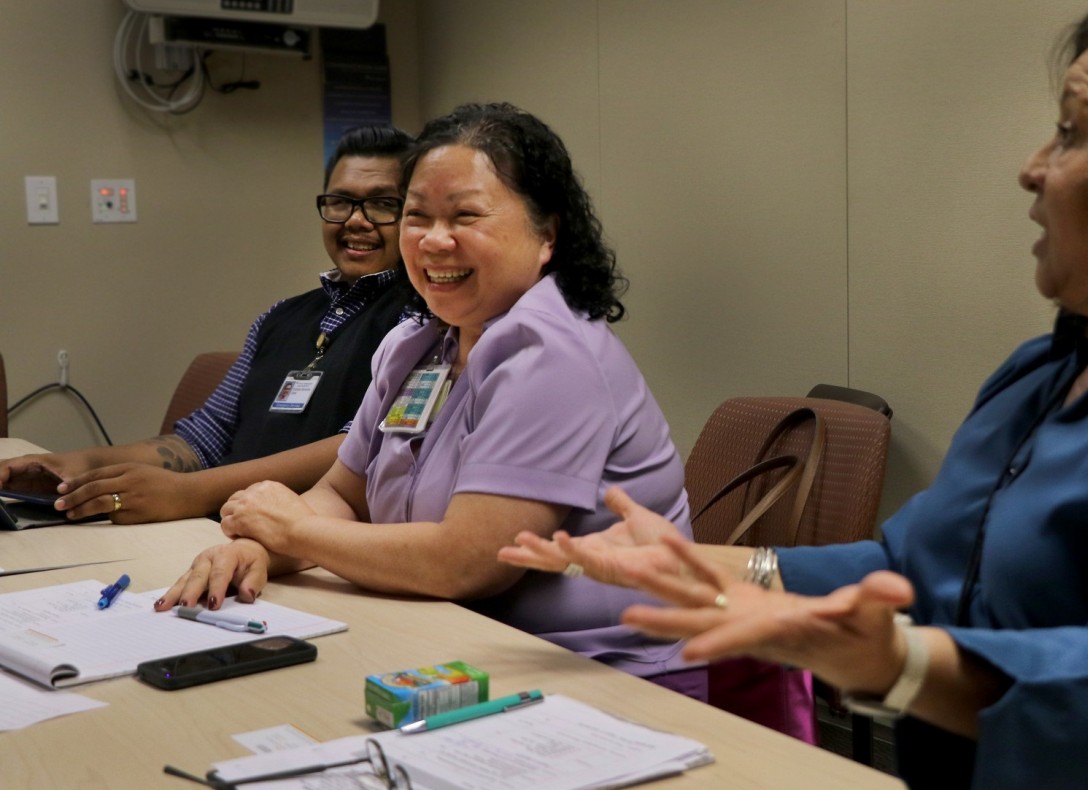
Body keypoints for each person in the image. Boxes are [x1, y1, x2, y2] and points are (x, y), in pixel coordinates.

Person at [499, 3, 1088, 790]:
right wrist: (703, 567)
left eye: (1072, 135)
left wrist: (900, 663)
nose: (1032, 168)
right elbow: (913, 567)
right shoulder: (1046, 372)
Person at [157, 103, 704, 698]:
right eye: (418, 216)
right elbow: (346, 493)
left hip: (603, 679)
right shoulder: (416, 345)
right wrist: (254, 548)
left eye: (466, 215)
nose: (436, 241)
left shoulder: (553, 355)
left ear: (547, 234)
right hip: (451, 647)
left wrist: (293, 533)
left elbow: (468, 561)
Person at [0, 125, 417, 524]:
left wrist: (191, 492)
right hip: (219, 529)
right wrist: (75, 466)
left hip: (309, 546)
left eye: (382, 203)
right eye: (341, 201)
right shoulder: (278, 317)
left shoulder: (420, 323)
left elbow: (359, 449)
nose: (356, 220)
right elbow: (203, 439)